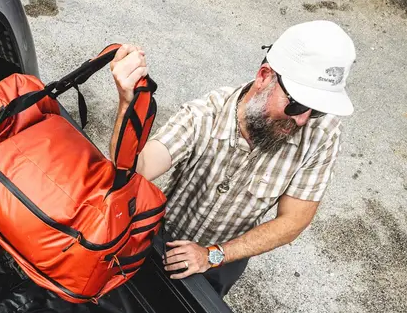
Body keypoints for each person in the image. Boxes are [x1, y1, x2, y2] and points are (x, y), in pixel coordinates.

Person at [110, 21, 356, 297]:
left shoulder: (321, 133)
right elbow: (137, 168)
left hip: (226, 258)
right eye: (297, 104)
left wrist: (215, 255)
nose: (302, 120)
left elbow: (293, 220)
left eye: (317, 110)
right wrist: (127, 105)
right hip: (164, 232)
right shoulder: (205, 115)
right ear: (264, 76)